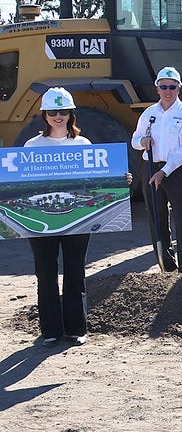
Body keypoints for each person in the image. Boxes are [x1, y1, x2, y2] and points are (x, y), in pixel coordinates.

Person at [25, 88, 130, 346]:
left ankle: (76, 328)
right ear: (45, 115)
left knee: (75, 271)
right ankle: (50, 330)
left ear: (71, 114)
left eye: (63, 111)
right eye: (53, 112)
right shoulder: (32, 146)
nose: (58, 116)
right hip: (44, 219)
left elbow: (95, 181)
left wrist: (119, 179)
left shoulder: (83, 145)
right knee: (46, 272)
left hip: (77, 219)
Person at [130, 66, 182, 273]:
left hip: (175, 172)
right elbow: (134, 140)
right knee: (156, 218)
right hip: (150, 168)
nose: (168, 91)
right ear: (157, 88)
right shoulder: (149, 113)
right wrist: (143, 141)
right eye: (163, 87)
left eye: (172, 87)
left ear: (179, 88)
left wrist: (164, 172)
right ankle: (166, 266)